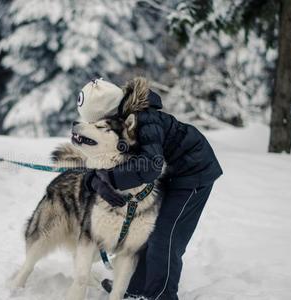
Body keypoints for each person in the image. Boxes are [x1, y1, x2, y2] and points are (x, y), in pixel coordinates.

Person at [79, 78, 222, 300]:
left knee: (165, 239)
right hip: (170, 172)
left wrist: (110, 179)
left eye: (98, 122)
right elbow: (104, 157)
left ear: (108, 113)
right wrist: (95, 179)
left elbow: (150, 166)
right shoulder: (120, 121)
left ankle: (162, 295)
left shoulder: (145, 119)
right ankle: (135, 288)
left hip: (192, 173)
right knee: (146, 233)